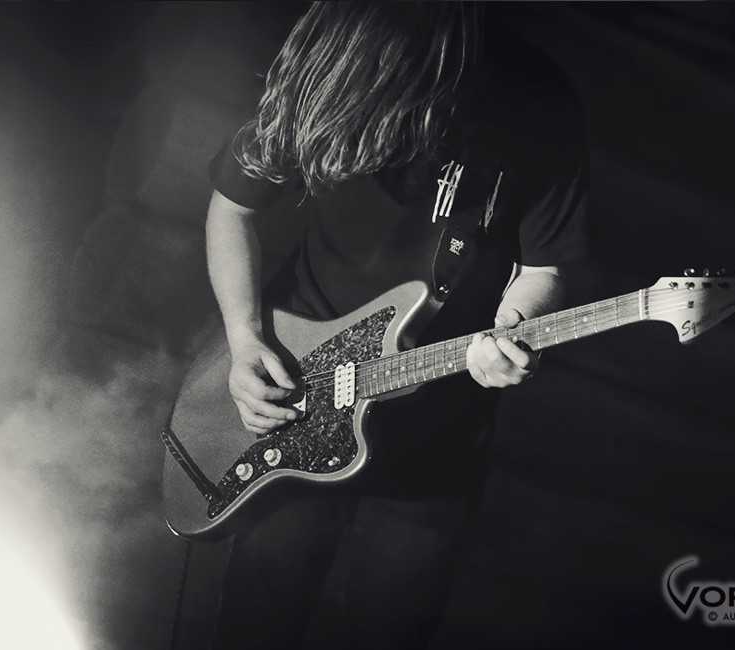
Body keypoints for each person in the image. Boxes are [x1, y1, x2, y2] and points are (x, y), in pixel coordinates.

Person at [202, 2, 588, 648]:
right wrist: (244, 338)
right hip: (303, 391)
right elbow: (232, 208)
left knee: (392, 623)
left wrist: (515, 327)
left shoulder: (535, 97)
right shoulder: (331, 67)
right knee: (261, 606)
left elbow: (544, 265)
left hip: (439, 427)